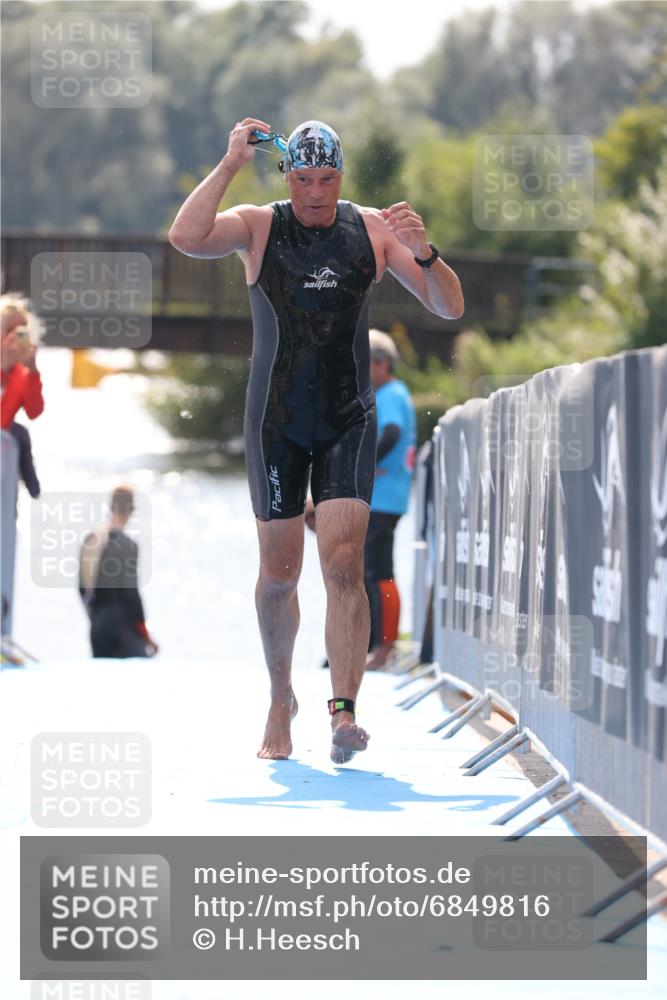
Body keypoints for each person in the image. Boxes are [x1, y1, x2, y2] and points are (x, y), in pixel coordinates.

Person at [168, 118, 464, 762]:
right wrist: (230, 164)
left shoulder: (372, 230)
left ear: (341, 176)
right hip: (275, 422)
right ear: (287, 177)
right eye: (304, 180)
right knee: (280, 574)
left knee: (343, 563)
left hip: (347, 417)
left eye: (327, 179)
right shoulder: (259, 226)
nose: (316, 193)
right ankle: (281, 696)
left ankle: (344, 710)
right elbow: (186, 237)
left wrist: (425, 252)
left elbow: (448, 307)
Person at [364, 329, 417, 670]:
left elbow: (393, 433)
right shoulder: (388, 393)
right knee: (368, 570)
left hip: (385, 497)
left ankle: (385, 647)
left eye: (364, 361)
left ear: (382, 363)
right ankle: (371, 643)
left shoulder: (391, 394)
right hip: (383, 496)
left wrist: (364, 465)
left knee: (378, 569)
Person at [79, 485, 159, 659]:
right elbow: (131, 595)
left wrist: (95, 617)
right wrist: (146, 636)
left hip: (97, 627)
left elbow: (82, 588)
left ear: (110, 507)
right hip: (122, 629)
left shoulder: (91, 540)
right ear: (131, 511)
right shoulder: (128, 545)